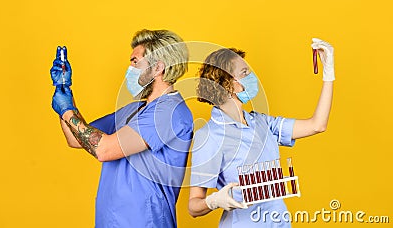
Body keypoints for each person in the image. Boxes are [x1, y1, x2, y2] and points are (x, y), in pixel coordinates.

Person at [50, 29, 193, 227]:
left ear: (158, 67)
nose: (130, 69)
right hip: (110, 221)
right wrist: (64, 91)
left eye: (135, 62)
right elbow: (77, 138)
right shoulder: (134, 109)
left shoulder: (169, 113)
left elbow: (103, 149)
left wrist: (66, 110)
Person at [188, 38, 335, 227]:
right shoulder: (210, 136)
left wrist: (328, 74)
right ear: (227, 84)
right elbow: (194, 206)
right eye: (244, 72)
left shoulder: (261, 122)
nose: (252, 76)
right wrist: (214, 200)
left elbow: (317, 125)